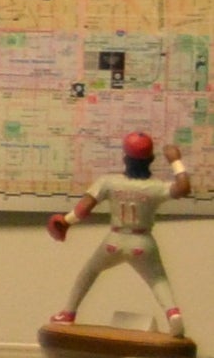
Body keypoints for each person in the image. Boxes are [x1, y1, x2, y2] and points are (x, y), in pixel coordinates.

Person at [48, 129, 190, 337]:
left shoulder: (109, 182)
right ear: (150, 159)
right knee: (158, 281)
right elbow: (184, 188)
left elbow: (83, 209)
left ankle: (68, 313)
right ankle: (173, 315)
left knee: (89, 272)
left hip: (114, 240)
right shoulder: (156, 187)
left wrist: (66, 222)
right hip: (143, 242)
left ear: (125, 158)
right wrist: (175, 161)